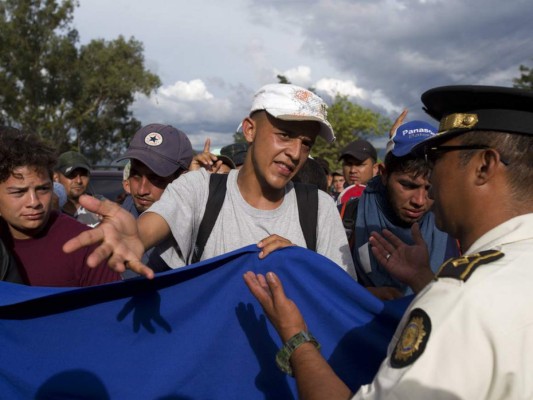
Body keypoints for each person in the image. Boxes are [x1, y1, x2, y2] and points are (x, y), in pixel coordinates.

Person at [244, 84, 533, 399]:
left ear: (484, 166)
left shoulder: (461, 299)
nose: (429, 182)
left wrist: (295, 337)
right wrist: (424, 280)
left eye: (436, 157)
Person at [63, 83, 357, 280]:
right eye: (284, 135)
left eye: (306, 144)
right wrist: (134, 236)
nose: (295, 153)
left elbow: (339, 298)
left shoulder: (318, 208)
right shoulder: (199, 191)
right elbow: (151, 226)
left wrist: (298, 264)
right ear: (250, 130)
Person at [349, 117, 459, 299]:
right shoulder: (349, 215)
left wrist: (421, 280)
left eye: (430, 187)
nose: (420, 200)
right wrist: (363, 296)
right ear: (384, 175)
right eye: (408, 186)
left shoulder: (456, 226)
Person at [0, 128, 121, 287]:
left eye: (43, 189)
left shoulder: (86, 245)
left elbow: (110, 308)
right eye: (19, 192)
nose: (34, 202)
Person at [116, 123, 193, 274]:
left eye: (156, 178)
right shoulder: (116, 226)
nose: (141, 190)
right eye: (136, 175)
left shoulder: (202, 228)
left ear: (183, 179)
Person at [54, 151, 101, 227]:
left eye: (83, 175)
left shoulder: (100, 208)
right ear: (56, 177)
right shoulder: (48, 211)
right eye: (71, 175)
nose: (79, 181)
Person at [337, 139, 378, 204]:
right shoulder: (331, 202)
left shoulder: (385, 201)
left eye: (359, 164)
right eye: (348, 164)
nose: (353, 170)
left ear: (375, 168)